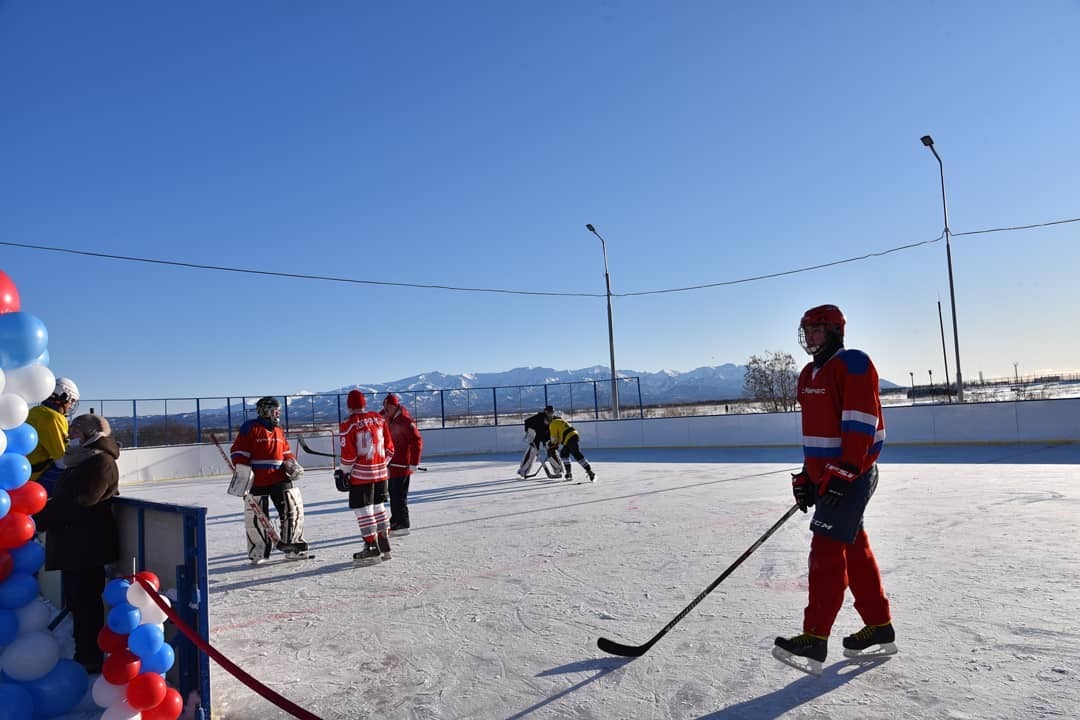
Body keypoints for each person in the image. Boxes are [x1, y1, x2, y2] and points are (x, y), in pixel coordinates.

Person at [773, 304, 895, 674]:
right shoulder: (808, 374)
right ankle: (879, 626)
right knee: (854, 549)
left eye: (818, 330)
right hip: (830, 477)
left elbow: (861, 422)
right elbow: (817, 434)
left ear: (836, 332)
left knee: (825, 551)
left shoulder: (854, 364)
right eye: (806, 331)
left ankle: (815, 637)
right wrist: (809, 478)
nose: (810, 337)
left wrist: (845, 472)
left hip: (852, 476)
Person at [33, 413, 119, 674]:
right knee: (78, 603)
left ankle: (90, 658)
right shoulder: (79, 462)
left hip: (86, 547)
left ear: (92, 434)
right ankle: (84, 654)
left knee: (86, 606)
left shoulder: (100, 462)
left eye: (75, 431)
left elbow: (81, 501)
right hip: (74, 546)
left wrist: (41, 516)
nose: (70, 437)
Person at [230, 396, 308, 563]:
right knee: (256, 518)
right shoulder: (250, 427)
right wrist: (244, 476)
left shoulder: (279, 430)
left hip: (279, 477)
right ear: (265, 411)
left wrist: (291, 464)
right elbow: (239, 453)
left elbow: (286, 452)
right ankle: (258, 551)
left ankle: (292, 546)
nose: (277, 414)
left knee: (292, 509)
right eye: (275, 411)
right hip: (257, 480)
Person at [337, 390, 395, 565]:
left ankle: (371, 547)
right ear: (364, 403)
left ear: (348, 405)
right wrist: (381, 465)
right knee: (379, 507)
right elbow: (390, 448)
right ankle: (384, 543)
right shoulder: (379, 418)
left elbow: (349, 456)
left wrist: (343, 472)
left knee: (363, 510)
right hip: (381, 474)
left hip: (361, 475)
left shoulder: (348, 424)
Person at [26, 376, 80, 496]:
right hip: (35, 477)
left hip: (23, 474)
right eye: (71, 401)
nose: (70, 406)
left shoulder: (34, 411)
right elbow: (63, 462)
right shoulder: (52, 418)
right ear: (63, 396)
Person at [381, 393, 423, 536]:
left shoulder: (405, 420)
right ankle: (396, 519)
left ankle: (403, 523)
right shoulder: (385, 416)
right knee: (393, 492)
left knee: (400, 494)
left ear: (395, 406)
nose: (386, 411)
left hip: (403, 464)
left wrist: (414, 462)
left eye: (388, 408)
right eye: (385, 408)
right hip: (391, 464)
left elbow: (417, 441)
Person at [547, 414, 596, 482]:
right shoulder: (561, 421)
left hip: (569, 438)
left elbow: (554, 438)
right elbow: (559, 436)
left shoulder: (553, 423)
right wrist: (555, 444)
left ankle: (590, 472)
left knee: (576, 454)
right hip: (572, 436)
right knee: (564, 454)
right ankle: (568, 473)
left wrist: (552, 445)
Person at [517, 406, 553, 478]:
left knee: (551, 450)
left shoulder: (553, 418)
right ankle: (523, 470)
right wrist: (529, 432)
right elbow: (526, 421)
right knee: (532, 451)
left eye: (551, 411)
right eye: (548, 411)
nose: (550, 413)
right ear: (545, 411)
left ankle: (558, 469)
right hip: (535, 436)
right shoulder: (538, 417)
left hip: (545, 436)